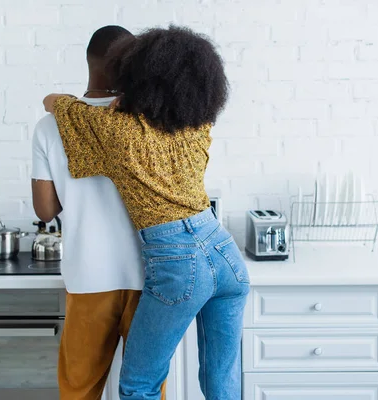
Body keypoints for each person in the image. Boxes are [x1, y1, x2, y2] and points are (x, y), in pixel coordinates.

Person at [43, 25, 249, 400]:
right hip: (224, 253)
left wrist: (59, 97)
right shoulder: (197, 125)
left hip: (177, 261)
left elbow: (57, 103)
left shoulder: (114, 130)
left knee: (139, 385)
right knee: (222, 383)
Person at [31, 25, 166, 400]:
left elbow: (44, 210)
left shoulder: (50, 125)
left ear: (89, 61)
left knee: (79, 389)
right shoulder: (147, 120)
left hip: (88, 275)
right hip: (150, 274)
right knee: (146, 390)